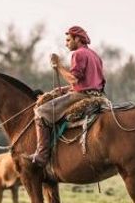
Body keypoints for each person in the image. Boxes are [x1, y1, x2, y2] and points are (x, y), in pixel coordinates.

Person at [25, 26, 106, 167]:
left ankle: (41, 155)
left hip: (82, 97)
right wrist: (65, 89)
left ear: (77, 39)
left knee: (40, 112)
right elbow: (88, 82)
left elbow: (74, 79)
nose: (66, 43)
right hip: (97, 95)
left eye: (68, 40)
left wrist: (58, 65)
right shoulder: (95, 55)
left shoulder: (78, 54)